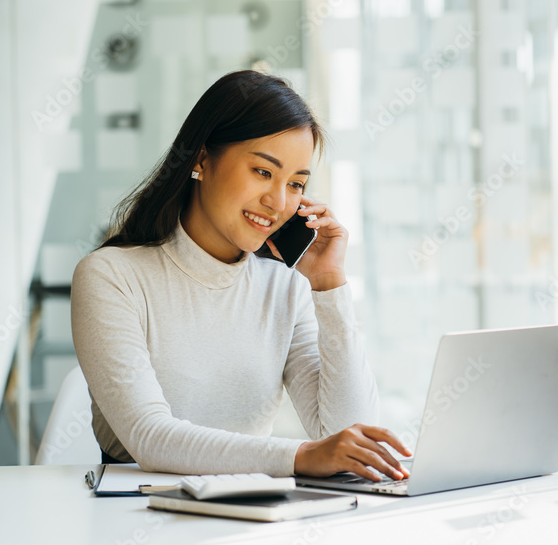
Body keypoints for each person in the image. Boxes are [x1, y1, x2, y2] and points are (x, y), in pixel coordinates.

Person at [71, 70, 411, 482]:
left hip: (251, 515)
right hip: (135, 516)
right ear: (201, 159)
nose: (278, 202)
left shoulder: (285, 286)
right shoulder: (110, 276)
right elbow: (149, 437)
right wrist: (302, 457)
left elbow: (349, 438)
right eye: (263, 172)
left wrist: (329, 285)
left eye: (297, 184)